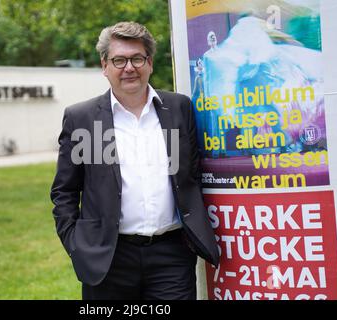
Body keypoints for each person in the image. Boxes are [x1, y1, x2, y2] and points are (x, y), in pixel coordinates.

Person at [50, 21, 219, 300]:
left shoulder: (178, 108)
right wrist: (77, 245)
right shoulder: (82, 118)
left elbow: (192, 174)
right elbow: (64, 192)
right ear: (104, 66)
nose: (129, 67)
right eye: (119, 60)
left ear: (149, 63)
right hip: (108, 258)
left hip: (172, 256)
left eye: (137, 58)